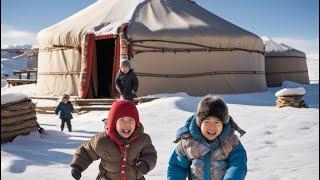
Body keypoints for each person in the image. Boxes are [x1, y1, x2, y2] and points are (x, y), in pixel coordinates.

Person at [70, 100, 157, 180]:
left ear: (136, 123)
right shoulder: (102, 140)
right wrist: (77, 166)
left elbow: (150, 154)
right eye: (122, 120)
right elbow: (86, 151)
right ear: (113, 123)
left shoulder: (143, 140)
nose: (126, 124)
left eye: (131, 120)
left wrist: (146, 163)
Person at [167, 96, 247, 180]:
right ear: (199, 123)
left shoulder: (231, 142)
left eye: (217, 122)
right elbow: (177, 167)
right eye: (207, 122)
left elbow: (238, 164)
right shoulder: (188, 142)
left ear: (223, 124)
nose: (212, 127)